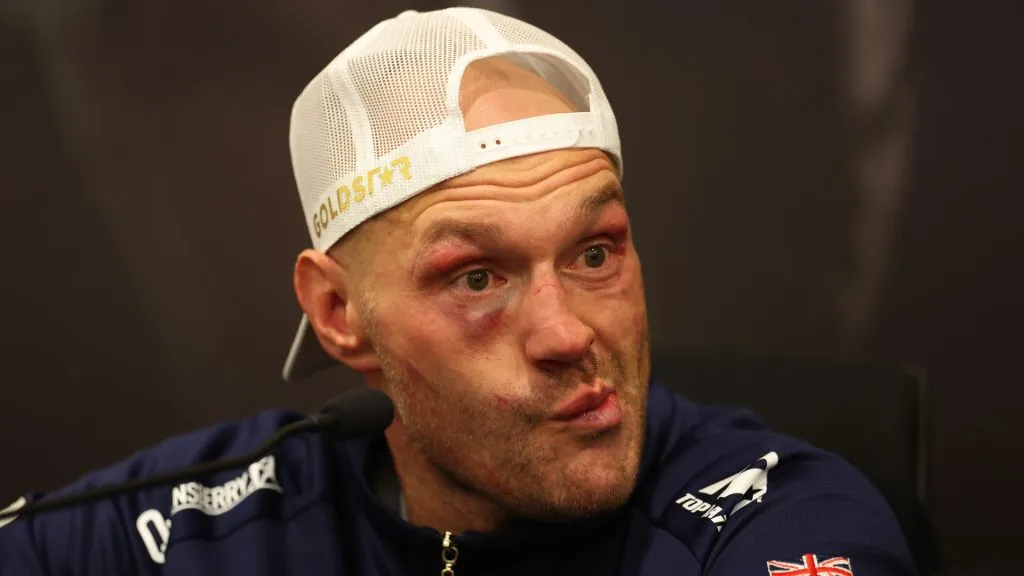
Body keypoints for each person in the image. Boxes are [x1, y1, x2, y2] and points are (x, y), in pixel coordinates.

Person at [0, 7, 917, 575]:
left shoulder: (773, 515)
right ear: (337, 315)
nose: (568, 334)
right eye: (477, 278)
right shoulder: (213, 519)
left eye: (596, 253)